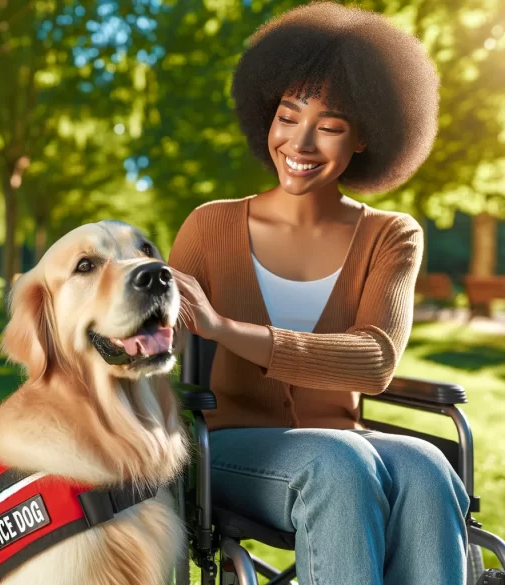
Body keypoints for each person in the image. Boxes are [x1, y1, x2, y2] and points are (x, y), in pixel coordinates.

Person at [167, 3, 470, 585]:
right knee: (339, 461)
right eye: (288, 116)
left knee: (430, 465)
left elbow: (375, 360)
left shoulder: (391, 234)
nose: (300, 142)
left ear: (365, 138)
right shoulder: (209, 226)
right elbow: (163, 355)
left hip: (342, 443)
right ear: (267, 119)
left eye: (330, 126)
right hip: (225, 447)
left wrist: (226, 329)